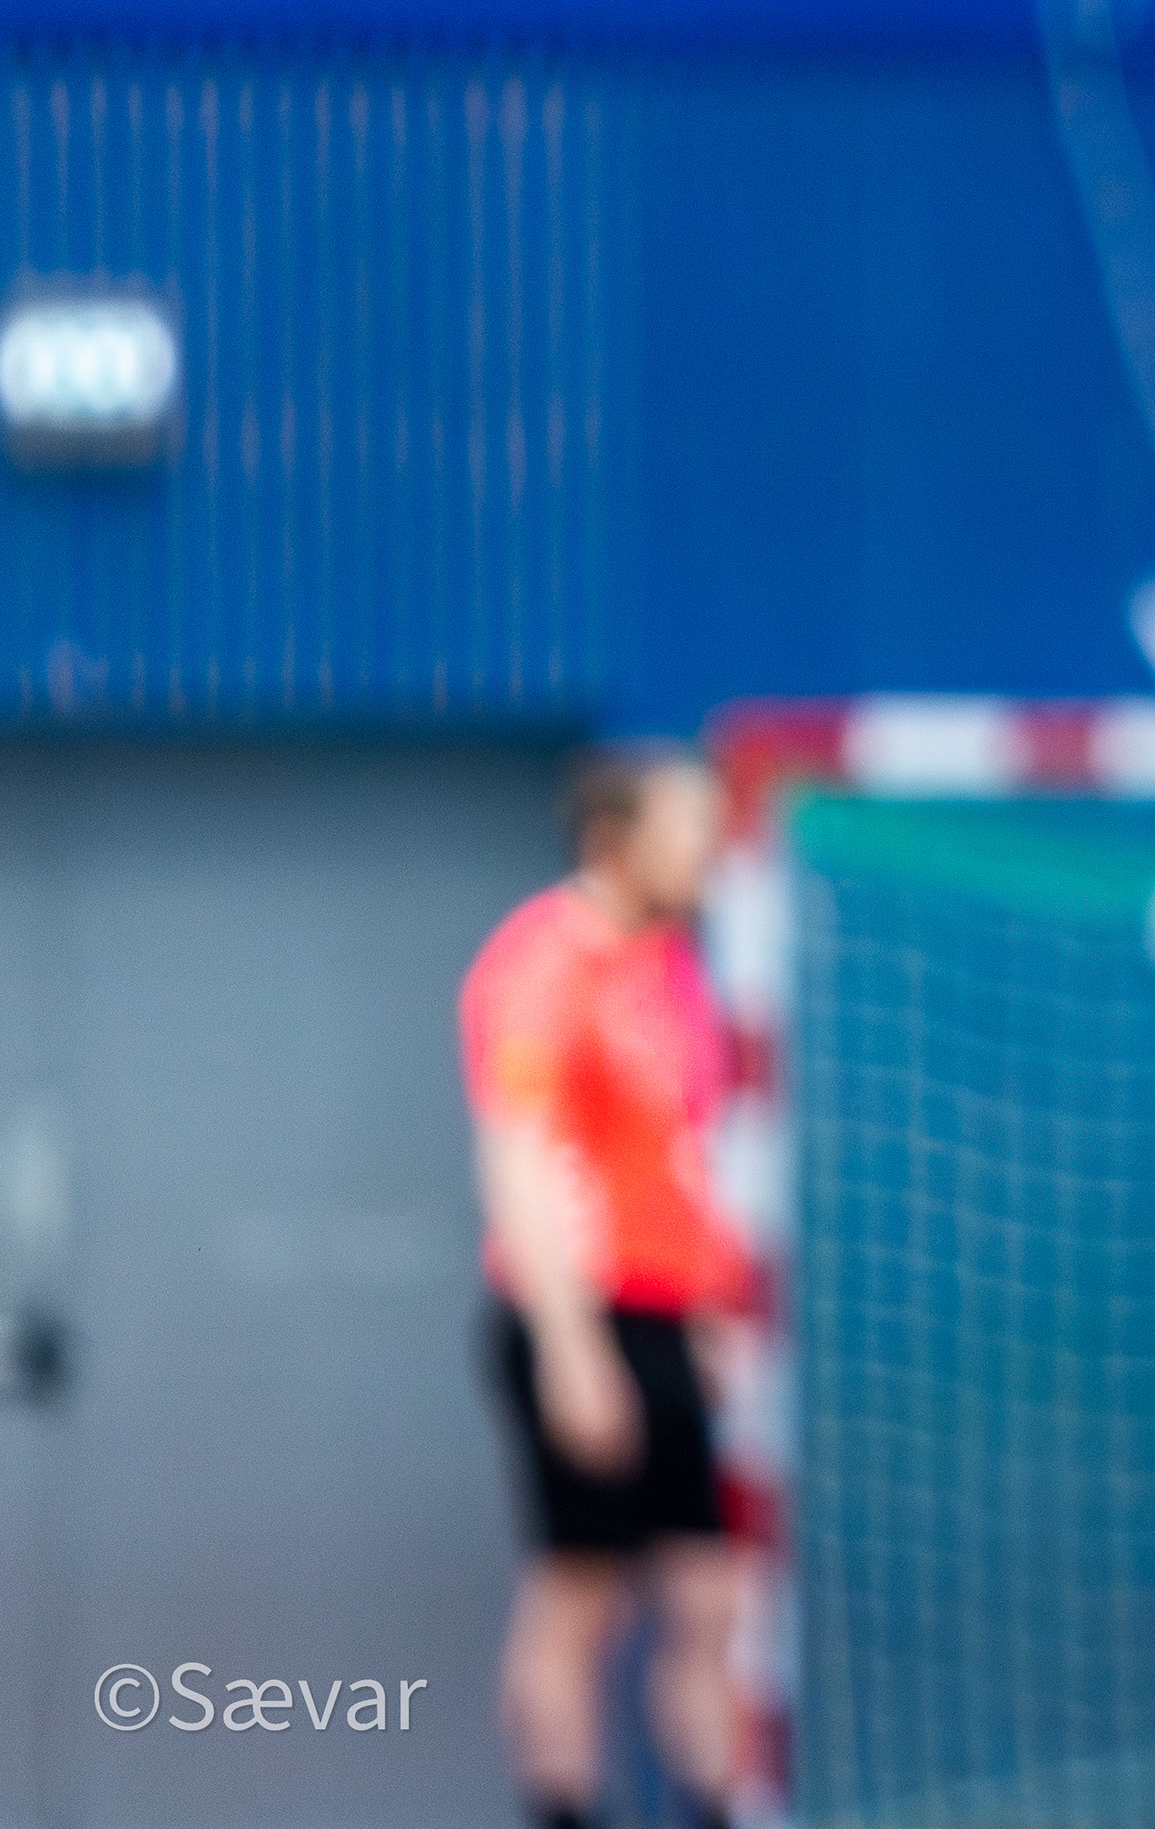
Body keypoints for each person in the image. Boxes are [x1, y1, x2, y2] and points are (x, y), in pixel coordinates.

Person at [460, 742, 752, 1829]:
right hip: (579, 1310)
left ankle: (713, 1804)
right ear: (614, 840)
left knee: (707, 1595)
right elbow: (520, 1155)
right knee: (581, 1597)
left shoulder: (670, 968)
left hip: (666, 1313)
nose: (706, 854)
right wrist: (570, 1347)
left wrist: (709, 1314)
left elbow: (678, 1160)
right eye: (685, 833)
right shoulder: (542, 963)